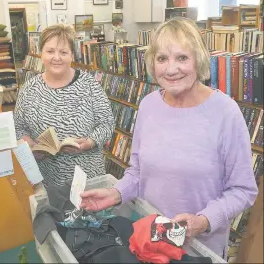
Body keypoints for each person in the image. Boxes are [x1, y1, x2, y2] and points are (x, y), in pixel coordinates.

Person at [80, 17, 258, 258]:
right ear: (152, 63)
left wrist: (204, 220)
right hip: (150, 241)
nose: (171, 69)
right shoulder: (148, 105)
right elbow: (138, 171)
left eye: (182, 58)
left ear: (198, 60)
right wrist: (116, 193)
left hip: (199, 250)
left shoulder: (226, 113)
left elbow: (243, 189)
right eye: (162, 58)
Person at [14, 24, 114, 186]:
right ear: (41, 54)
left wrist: (90, 142)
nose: (57, 57)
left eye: (63, 52)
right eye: (50, 51)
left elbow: (107, 124)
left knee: (87, 210)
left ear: (72, 55)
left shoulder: (89, 85)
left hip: (87, 177)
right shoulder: (29, 89)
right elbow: (18, 128)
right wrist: (30, 145)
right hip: (46, 177)